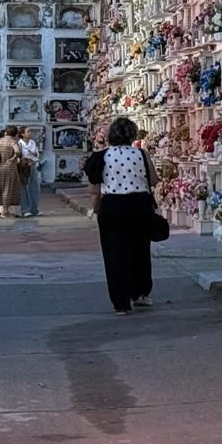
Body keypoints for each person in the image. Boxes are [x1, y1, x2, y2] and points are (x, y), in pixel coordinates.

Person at [83, 117, 156, 313]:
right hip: (139, 205)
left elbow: (94, 190)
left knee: (114, 254)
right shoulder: (141, 154)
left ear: (110, 136)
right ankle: (139, 293)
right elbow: (153, 180)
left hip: (112, 206)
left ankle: (120, 303)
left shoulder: (100, 157)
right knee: (140, 251)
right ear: (132, 135)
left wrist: (96, 208)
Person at [0, 125, 22, 219]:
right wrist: (13, 158)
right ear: (15, 134)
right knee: (7, 189)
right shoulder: (13, 141)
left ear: (6, 132)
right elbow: (17, 151)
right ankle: (5, 212)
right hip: (9, 168)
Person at [18, 126, 42, 217]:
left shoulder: (32, 142)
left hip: (33, 165)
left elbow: (36, 153)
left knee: (35, 188)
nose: (30, 133)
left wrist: (33, 155)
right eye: (28, 131)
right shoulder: (19, 144)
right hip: (24, 167)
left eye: (30, 131)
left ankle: (35, 209)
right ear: (22, 134)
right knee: (24, 188)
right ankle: (25, 210)